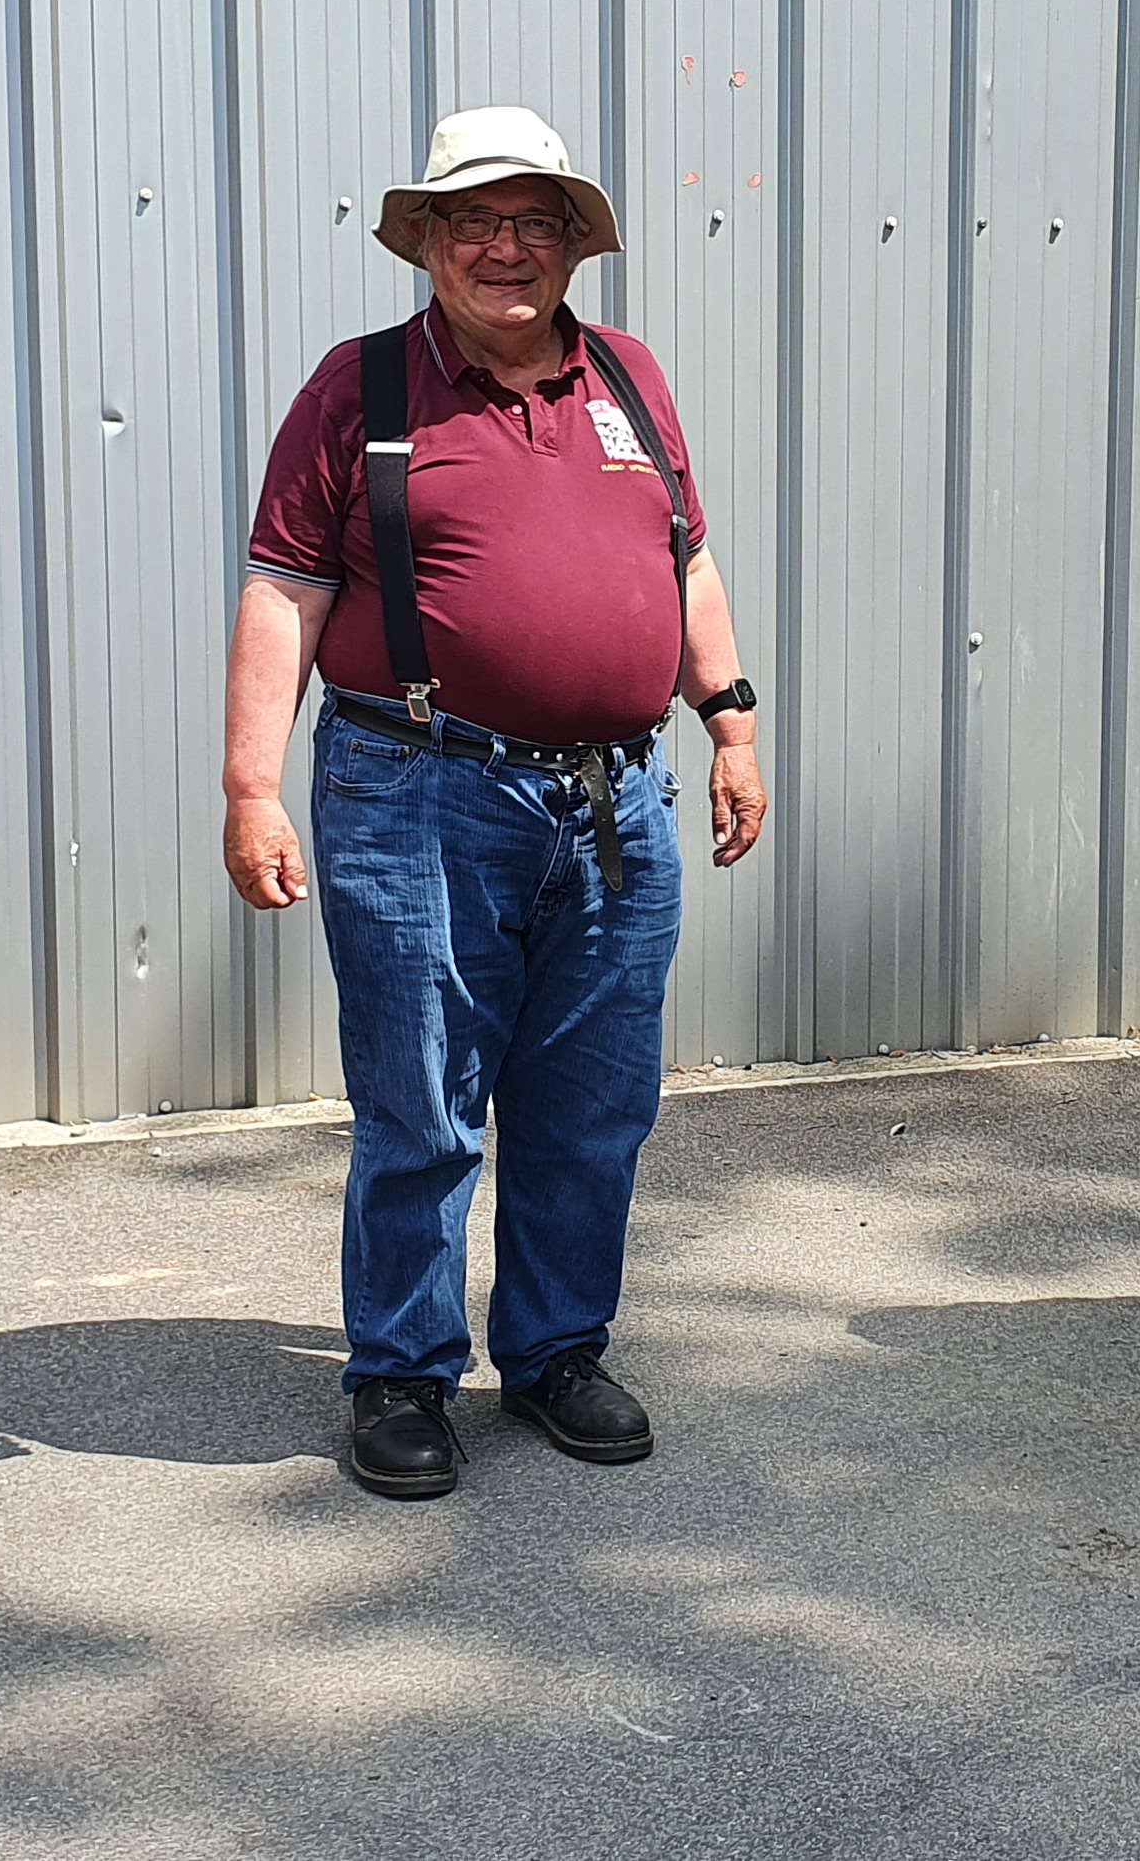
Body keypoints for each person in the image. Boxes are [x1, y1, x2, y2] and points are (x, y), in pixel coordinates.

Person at [223, 106, 768, 1500]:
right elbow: (286, 591)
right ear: (429, 243)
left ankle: (556, 1352)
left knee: (593, 1102)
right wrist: (251, 786)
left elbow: (687, 562)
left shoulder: (629, 376)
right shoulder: (358, 390)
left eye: (533, 222)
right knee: (422, 1105)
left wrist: (731, 724)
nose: (505, 248)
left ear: (575, 244)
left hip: (616, 803)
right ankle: (403, 1373)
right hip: (419, 792)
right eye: (474, 221)